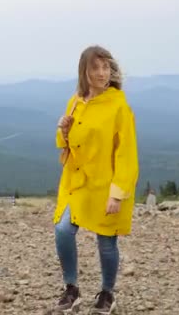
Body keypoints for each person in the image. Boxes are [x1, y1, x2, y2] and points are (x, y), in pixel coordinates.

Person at [52, 45, 139, 314]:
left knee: (106, 240)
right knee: (63, 230)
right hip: (77, 182)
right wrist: (63, 131)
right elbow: (69, 145)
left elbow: (127, 154)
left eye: (105, 67)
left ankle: (107, 294)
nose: (102, 73)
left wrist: (117, 193)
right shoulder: (76, 101)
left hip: (106, 185)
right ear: (84, 71)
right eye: (95, 68)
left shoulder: (119, 106)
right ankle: (71, 289)